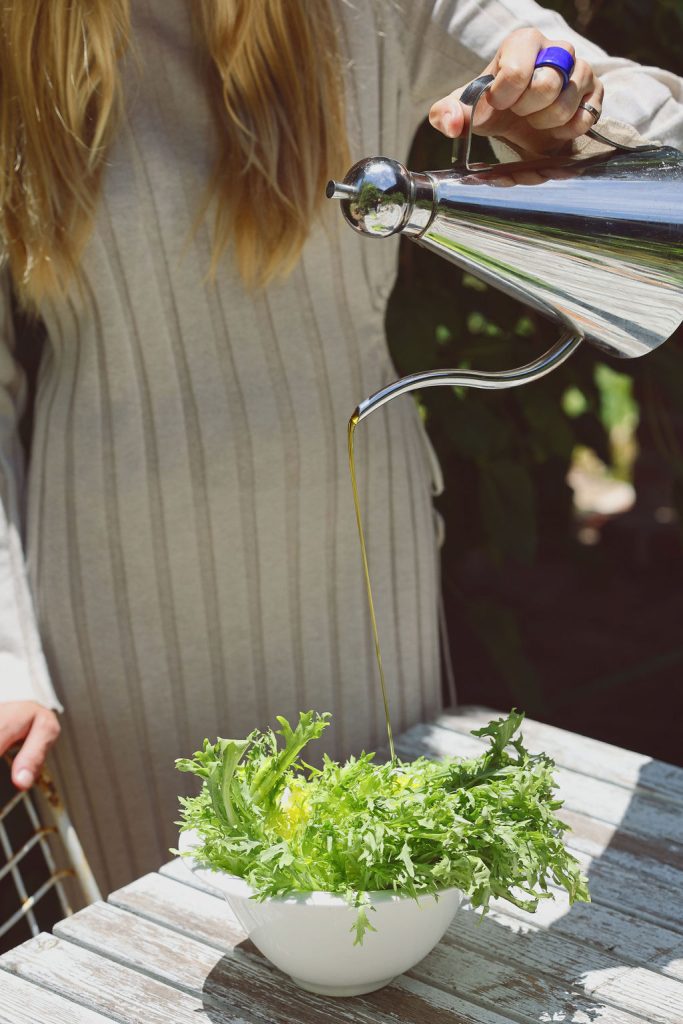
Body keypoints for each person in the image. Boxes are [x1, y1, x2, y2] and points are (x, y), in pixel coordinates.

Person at [0, 0, 681, 896]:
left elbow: (660, 139)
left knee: (383, 912)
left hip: (354, 548)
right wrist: (8, 651)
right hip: (116, 605)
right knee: (154, 954)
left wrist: (566, 114)